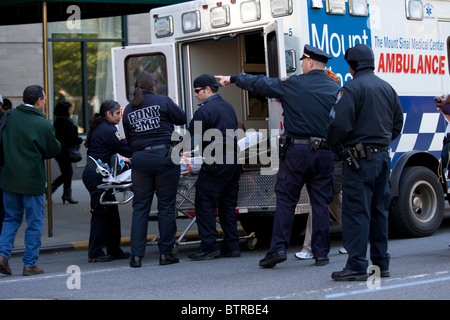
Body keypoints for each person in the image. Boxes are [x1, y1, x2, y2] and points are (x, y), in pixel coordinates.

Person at [217, 44, 341, 267]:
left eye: (303, 61)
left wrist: (233, 78)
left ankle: (277, 250)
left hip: (297, 152)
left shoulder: (294, 84)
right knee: (321, 202)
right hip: (323, 153)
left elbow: (262, 83)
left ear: (310, 62)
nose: (301, 64)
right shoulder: (335, 89)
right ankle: (321, 253)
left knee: (285, 200)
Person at [327, 44, 403, 281]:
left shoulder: (350, 89)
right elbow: (397, 123)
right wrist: (380, 144)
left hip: (358, 162)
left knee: (357, 213)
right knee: (379, 211)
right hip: (382, 158)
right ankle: (381, 263)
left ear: (352, 66)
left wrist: (335, 146)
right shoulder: (387, 87)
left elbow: (338, 125)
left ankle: (357, 265)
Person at [122, 71, 186, 267]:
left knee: (140, 208)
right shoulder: (163, 101)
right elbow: (182, 118)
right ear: (153, 85)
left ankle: (136, 256)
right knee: (166, 207)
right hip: (164, 157)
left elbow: (130, 139)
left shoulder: (129, 109)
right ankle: (166, 253)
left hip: (140, 159)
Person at [0, 85, 61, 276]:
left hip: (9, 178)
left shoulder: (9, 117)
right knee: (34, 223)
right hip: (32, 181)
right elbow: (53, 150)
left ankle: (2, 255)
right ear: (38, 101)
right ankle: (29, 264)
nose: (44, 102)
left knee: (10, 219)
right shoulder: (42, 124)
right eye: (43, 99)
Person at [186, 74, 241, 260]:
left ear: (208, 89)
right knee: (227, 205)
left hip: (216, 160)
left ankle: (209, 246)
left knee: (204, 203)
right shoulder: (228, 107)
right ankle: (232, 246)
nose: (195, 95)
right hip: (234, 161)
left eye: (197, 91)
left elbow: (190, 138)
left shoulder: (204, 111)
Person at [82, 100, 133, 263]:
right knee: (101, 213)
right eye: (117, 113)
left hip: (100, 175)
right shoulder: (108, 130)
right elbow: (124, 148)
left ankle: (114, 248)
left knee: (110, 213)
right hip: (97, 175)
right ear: (108, 114)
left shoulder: (102, 127)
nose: (120, 116)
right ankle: (95, 252)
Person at [294, 160, 346, 260]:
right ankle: (353, 238)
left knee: (322, 200)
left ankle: (310, 248)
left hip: (330, 160)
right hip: (319, 161)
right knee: (332, 201)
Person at [51, 102, 83, 204]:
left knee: (67, 173)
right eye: (69, 109)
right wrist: (79, 141)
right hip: (64, 151)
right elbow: (72, 136)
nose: (70, 111)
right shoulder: (65, 122)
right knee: (67, 173)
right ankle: (53, 190)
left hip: (62, 151)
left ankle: (66, 194)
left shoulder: (59, 121)